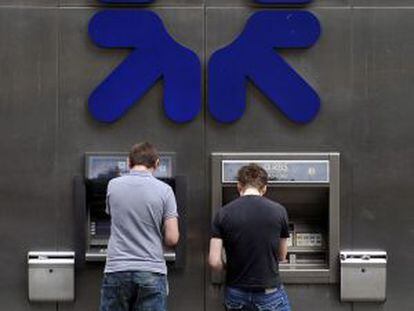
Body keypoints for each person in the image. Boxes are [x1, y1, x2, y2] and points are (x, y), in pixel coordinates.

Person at [100, 142, 179, 311]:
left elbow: (112, 215)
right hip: (151, 270)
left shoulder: (113, 185)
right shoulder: (165, 191)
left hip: (117, 268)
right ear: (157, 164)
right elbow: (173, 238)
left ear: (128, 162)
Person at [209, 163, 291, 311]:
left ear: (239, 186)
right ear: (264, 188)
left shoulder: (223, 213)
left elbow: (214, 261)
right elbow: (282, 255)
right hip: (269, 292)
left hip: (235, 291)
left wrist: (230, 267)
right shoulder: (279, 211)